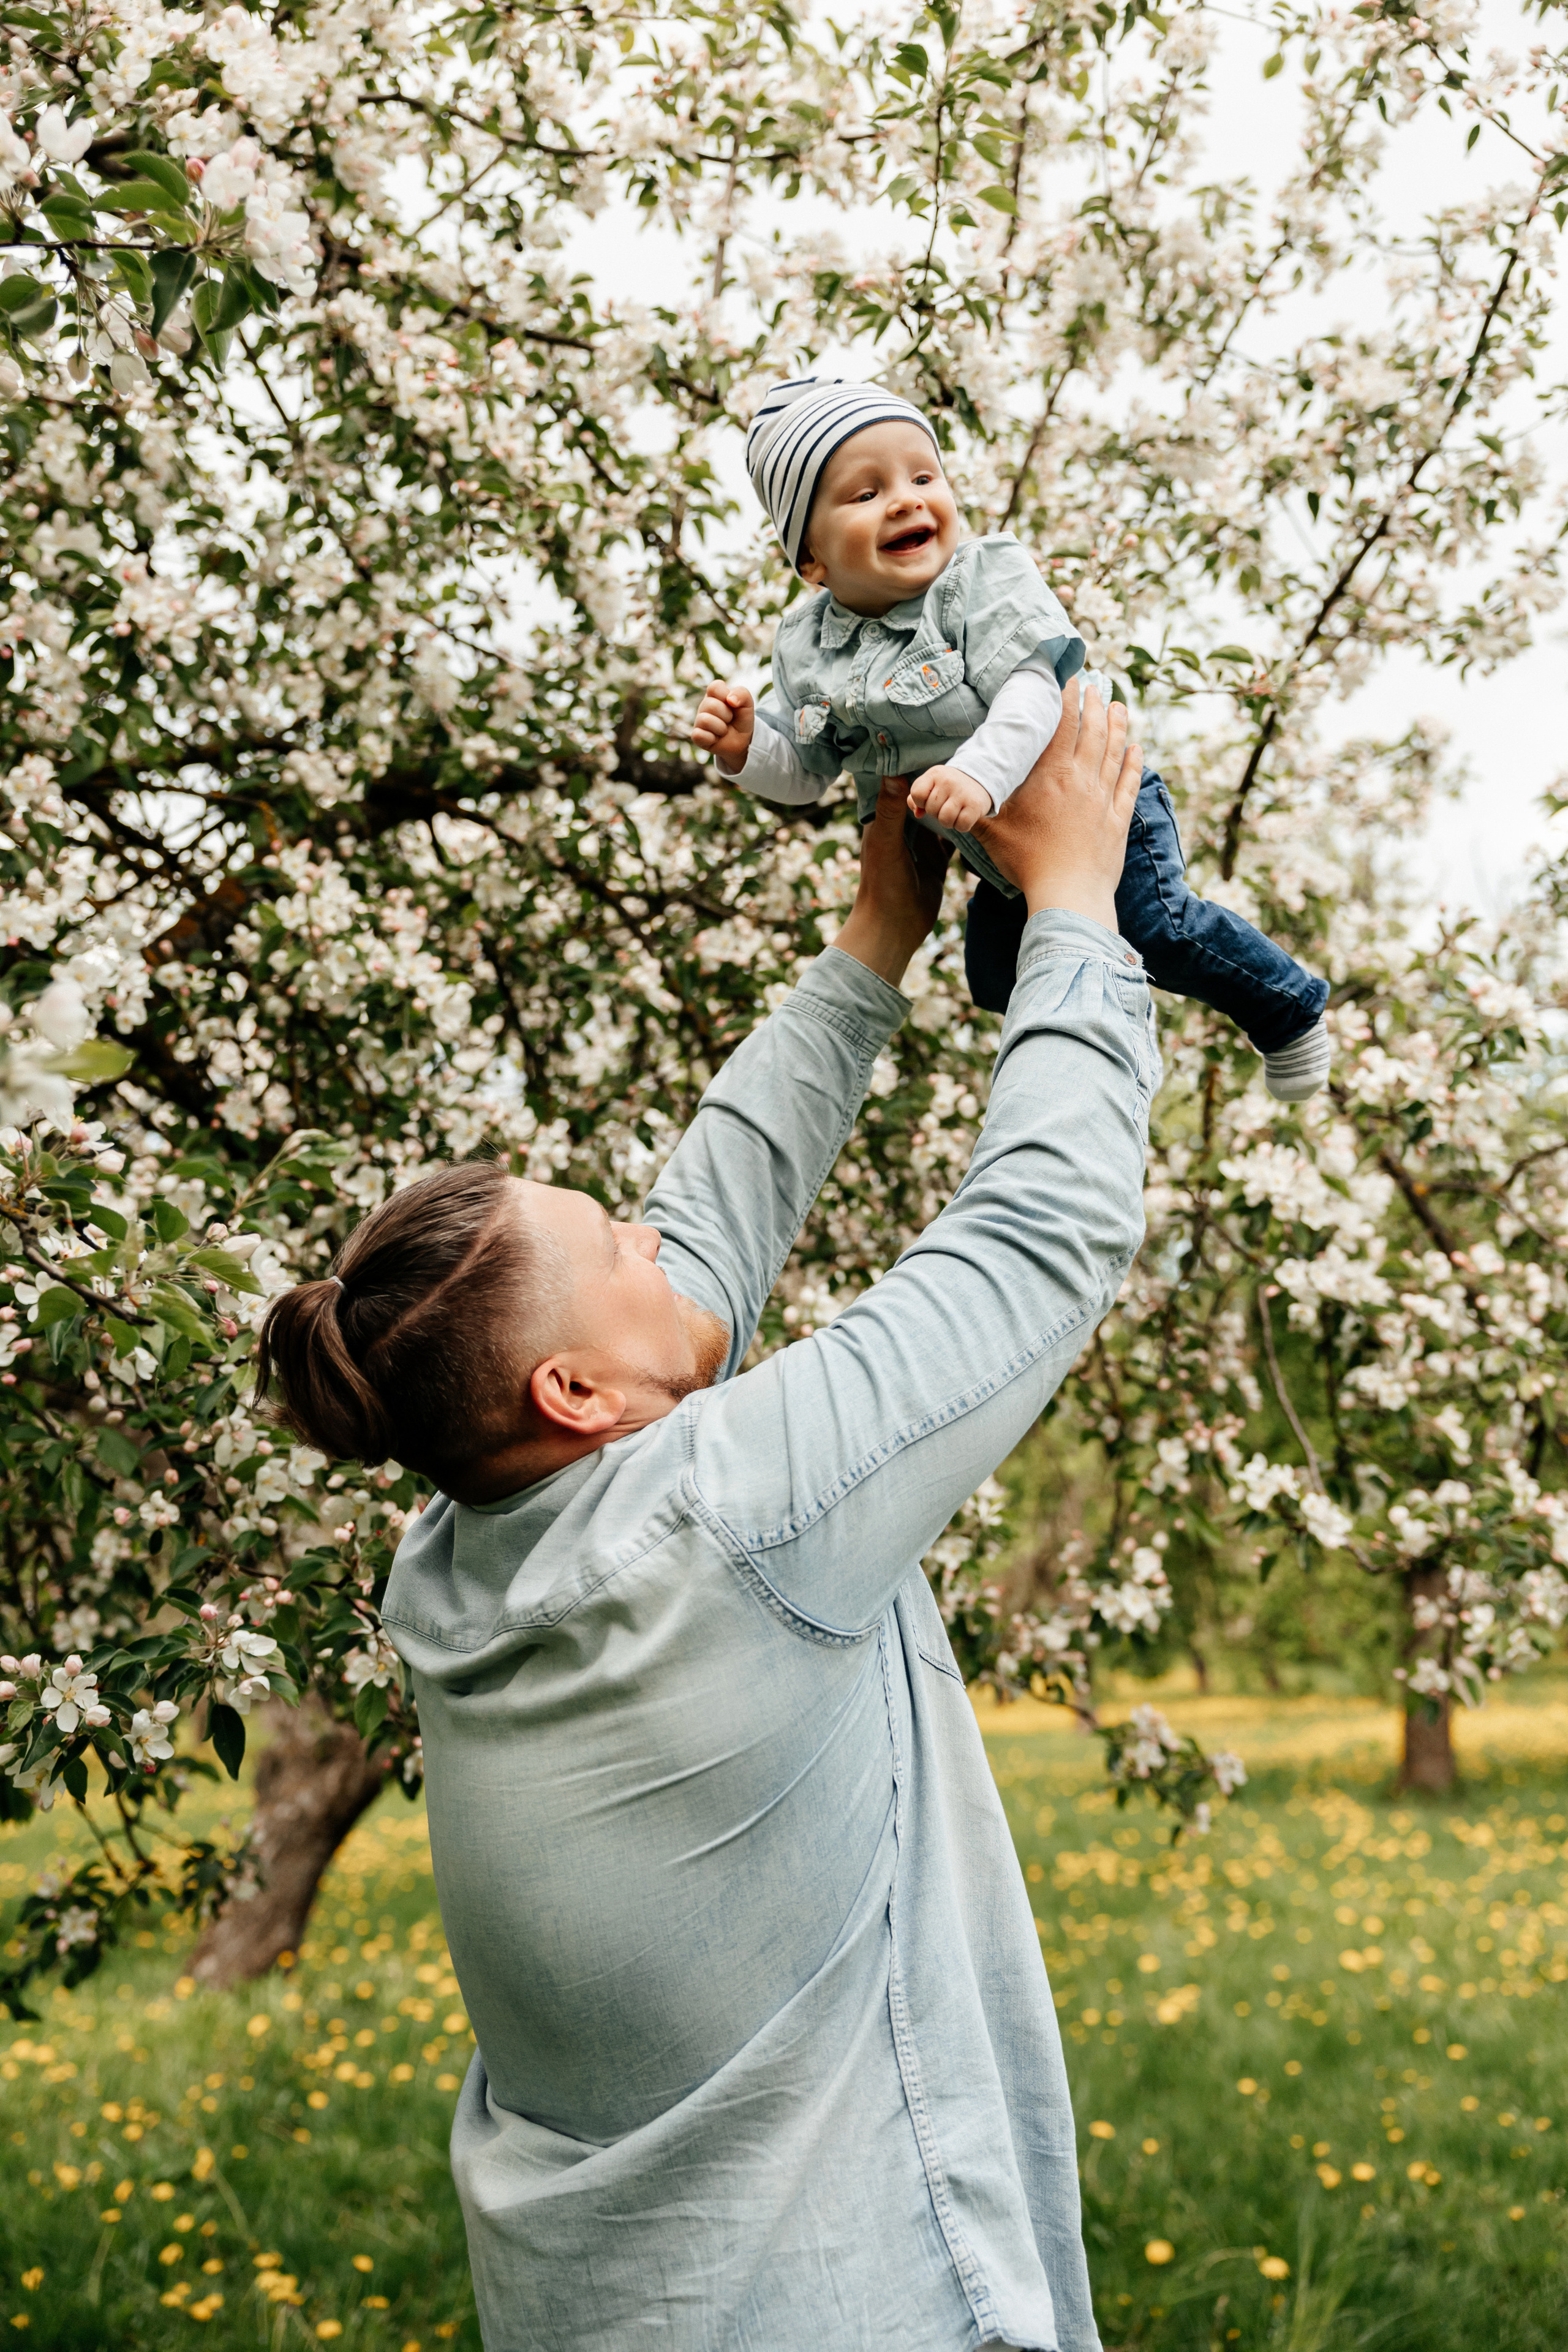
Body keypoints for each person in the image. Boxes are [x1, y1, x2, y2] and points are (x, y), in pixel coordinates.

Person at [257, 688, 1153, 2352]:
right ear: (576, 1393)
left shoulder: (458, 1550)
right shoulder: (728, 1520)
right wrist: (1081, 908)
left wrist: (873, 943)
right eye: (617, 1242)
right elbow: (1038, 1241)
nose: (655, 1234)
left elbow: (708, 1216)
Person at [691, 372, 1330, 1102]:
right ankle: (1111, 1005)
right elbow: (808, 770)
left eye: (922, 476)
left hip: (1090, 801)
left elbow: (1033, 692)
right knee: (994, 979)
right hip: (993, 851)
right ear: (812, 560)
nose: (905, 500)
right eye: (865, 493)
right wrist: (746, 752)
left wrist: (977, 775)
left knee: (1160, 925)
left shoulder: (981, 577)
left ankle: (1286, 1009)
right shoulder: (807, 646)